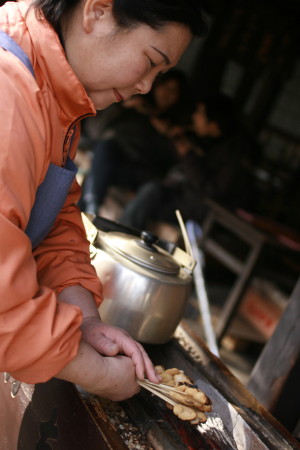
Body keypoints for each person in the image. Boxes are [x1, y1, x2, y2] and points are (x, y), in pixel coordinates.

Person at [0, 0, 206, 401]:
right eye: (150, 60)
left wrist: (86, 321)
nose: (146, 86)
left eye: (160, 74)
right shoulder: (10, 96)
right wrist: (91, 369)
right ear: (97, 11)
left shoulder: (56, 101)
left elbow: (56, 217)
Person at [120, 93, 261, 230]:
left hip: (199, 212)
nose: (194, 117)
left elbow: (211, 191)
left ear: (213, 123)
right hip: (183, 196)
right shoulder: (212, 140)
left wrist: (188, 155)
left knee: (146, 202)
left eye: (199, 113)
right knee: (151, 189)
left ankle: (122, 234)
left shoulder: (234, 154)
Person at [79, 69, 190, 214]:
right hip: (115, 157)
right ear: (157, 86)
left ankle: (88, 208)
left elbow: (168, 164)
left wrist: (167, 134)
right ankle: (87, 209)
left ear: (179, 97)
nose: (166, 94)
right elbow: (100, 127)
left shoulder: (176, 127)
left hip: (140, 171)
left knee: (100, 168)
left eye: (173, 91)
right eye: (165, 87)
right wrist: (123, 106)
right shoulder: (138, 104)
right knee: (104, 151)